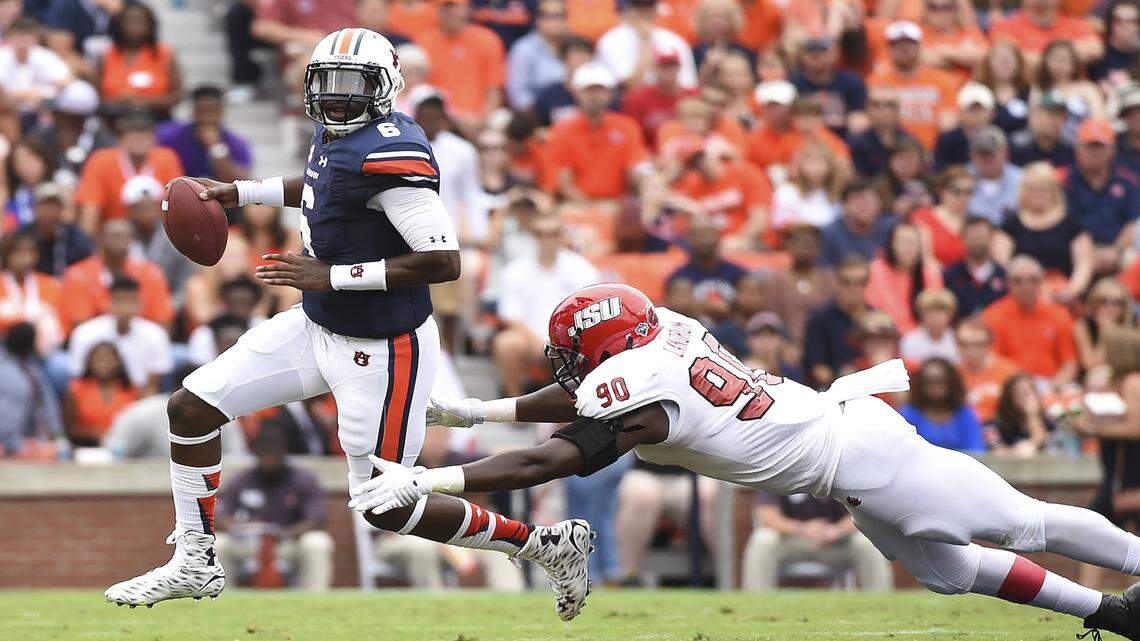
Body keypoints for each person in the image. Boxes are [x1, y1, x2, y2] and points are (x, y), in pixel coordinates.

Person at [105, 29, 590, 619]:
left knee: (385, 504)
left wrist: (330, 275)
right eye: (327, 82)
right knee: (191, 408)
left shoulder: (392, 154)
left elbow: (443, 261)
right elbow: (321, 186)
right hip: (317, 325)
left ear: (385, 87)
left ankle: (543, 545)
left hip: (384, 348)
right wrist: (240, 192)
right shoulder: (339, 136)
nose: (336, 95)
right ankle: (195, 561)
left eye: (351, 83)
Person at [385, 282, 1140, 639]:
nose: (569, 366)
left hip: (862, 458)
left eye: (577, 353)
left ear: (611, 352)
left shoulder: (639, 390)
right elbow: (578, 397)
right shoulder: (660, 333)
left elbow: (545, 462)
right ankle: (1111, 613)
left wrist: (432, 478)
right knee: (949, 573)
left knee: (1023, 524)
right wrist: (479, 411)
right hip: (845, 453)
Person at [214, 428, 334, 590]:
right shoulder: (242, 480)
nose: (269, 456)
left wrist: (288, 532)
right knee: (219, 543)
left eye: (273, 450)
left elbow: (317, 519)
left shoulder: (302, 479)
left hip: (287, 542)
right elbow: (219, 516)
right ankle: (223, 598)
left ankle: (313, 598)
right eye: (264, 450)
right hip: (249, 543)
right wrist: (237, 526)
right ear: (256, 452)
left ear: (284, 451)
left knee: (317, 542)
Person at [493, 215, 600, 397]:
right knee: (505, 344)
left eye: (552, 234)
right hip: (529, 338)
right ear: (534, 237)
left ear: (562, 236)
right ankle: (515, 402)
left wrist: (562, 342)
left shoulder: (582, 269)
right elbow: (511, 316)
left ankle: (581, 400)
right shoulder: (514, 271)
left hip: (571, 339)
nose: (547, 239)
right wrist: (539, 343)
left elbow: (589, 309)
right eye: (541, 234)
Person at [742, 492, 893, 591]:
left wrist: (837, 530)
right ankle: (756, 606)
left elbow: (863, 513)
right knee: (763, 539)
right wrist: (803, 529)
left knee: (866, 543)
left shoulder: (839, 471)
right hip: (792, 543)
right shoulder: (778, 472)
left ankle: (880, 605)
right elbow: (767, 517)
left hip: (835, 544)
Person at [543, 63, 650, 203]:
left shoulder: (627, 127)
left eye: (599, 90)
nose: (594, 96)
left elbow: (636, 168)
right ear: (576, 93)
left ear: (610, 93)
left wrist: (647, 183)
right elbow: (563, 181)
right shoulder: (562, 130)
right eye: (588, 90)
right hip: (577, 206)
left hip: (619, 204)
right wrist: (591, 208)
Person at [994, 162, 1094, 304]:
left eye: (1043, 189)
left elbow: (1083, 265)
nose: (1037, 194)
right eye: (1032, 189)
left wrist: (1070, 291)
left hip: (1062, 292)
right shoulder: (1010, 225)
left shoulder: (1072, 225)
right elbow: (1002, 264)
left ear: (1054, 191)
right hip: (1022, 293)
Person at [75, 110, 184, 234]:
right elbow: (90, 209)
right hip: (114, 234)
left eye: (144, 137)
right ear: (120, 140)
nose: (139, 142)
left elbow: (178, 206)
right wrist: (87, 243)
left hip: (159, 234)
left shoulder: (166, 158)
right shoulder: (101, 160)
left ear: (154, 140)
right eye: (133, 137)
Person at [982, 255, 1079, 389]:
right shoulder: (992, 317)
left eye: (1033, 280)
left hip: (1051, 385)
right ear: (1008, 283)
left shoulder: (1059, 315)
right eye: (1018, 281)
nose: (1026, 286)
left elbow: (1070, 363)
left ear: (1042, 282)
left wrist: (1052, 387)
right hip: (1008, 387)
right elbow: (991, 362)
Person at [67, 276, 174, 397]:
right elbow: (78, 381)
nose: (125, 307)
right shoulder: (85, 333)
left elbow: (151, 386)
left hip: (138, 397)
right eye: (120, 301)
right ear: (109, 303)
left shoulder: (155, 334)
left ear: (140, 304)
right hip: (95, 397)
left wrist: (141, 406)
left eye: (131, 301)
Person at [60, 219, 174, 331]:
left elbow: (163, 323)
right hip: (96, 340)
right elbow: (79, 325)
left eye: (126, 237)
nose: (121, 242)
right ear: (100, 240)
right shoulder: (78, 275)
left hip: (140, 339)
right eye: (115, 236)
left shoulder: (151, 274)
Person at [866, 20, 959, 151]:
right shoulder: (876, 81)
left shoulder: (943, 80)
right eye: (898, 45)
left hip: (933, 150)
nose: (904, 50)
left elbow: (949, 121)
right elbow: (870, 120)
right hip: (890, 151)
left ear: (919, 46)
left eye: (909, 45)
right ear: (889, 49)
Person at [1063, 118, 1140, 273]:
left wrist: (1115, 250)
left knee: (1133, 261)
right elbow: (1063, 223)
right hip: (1076, 248)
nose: (1094, 152)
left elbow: (1132, 223)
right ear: (1077, 149)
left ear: (1112, 149)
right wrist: (1088, 252)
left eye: (1100, 147)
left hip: (1118, 249)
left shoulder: (1127, 180)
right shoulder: (1065, 180)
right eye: (1089, 146)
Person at [416, 0, 506, 129]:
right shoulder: (424, 42)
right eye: (444, 8)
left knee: (501, 120)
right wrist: (452, 120)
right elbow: (422, 91)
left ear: (467, 9)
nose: (450, 13)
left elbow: (494, 90)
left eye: (455, 8)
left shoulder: (487, 40)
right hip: (439, 119)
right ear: (436, 11)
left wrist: (480, 120)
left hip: (482, 118)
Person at [98, 3, 182, 119]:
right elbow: (98, 96)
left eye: (139, 21)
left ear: (150, 25)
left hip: (155, 119)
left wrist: (142, 100)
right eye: (128, 21)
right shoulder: (106, 55)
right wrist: (118, 100)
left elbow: (177, 95)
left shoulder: (165, 54)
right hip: (114, 119)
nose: (134, 27)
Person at [156, 85, 252, 184]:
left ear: (221, 111)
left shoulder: (236, 143)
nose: (207, 117)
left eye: (212, 111)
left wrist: (216, 148)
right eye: (202, 111)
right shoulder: (170, 136)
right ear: (193, 111)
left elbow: (239, 183)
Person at [594, 0, 697, 91]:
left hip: (668, 99)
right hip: (628, 101)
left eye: (649, 7)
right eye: (639, 8)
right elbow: (628, 86)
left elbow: (688, 84)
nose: (645, 12)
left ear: (656, 10)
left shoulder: (674, 40)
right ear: (629, 11)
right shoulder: (612, 40)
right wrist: (646, 42)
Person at [803, 254, 870, 388]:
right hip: (832, 389)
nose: (854, 288)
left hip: (872, 386)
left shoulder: (876, 319)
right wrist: (843, 379)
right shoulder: (819, 320)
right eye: (847, 282)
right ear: (837, 283)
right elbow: (817, 369)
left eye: (860, 282)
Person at [761, 224, 834, 344]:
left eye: (811, 245)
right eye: (801, 244)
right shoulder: (776, 280)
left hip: (823, 343)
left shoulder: (828, 278)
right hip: (786, 343)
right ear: (789, 245)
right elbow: (772, 318)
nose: (806, 249)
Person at [865, 221, 942, 335]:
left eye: (912, 243)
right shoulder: (876, 270)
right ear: (891, 244)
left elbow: (936, 311)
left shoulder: (930, 274)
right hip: (886, 335)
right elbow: (873, 308)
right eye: (902, 243)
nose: (908, 249)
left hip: (920, 337)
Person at [0, 322, 64, 458]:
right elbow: (7, 420)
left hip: (32, 442)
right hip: (11, 444)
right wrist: (14, 446)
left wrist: (57, 436)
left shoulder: (32, 369)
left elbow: (49, 407)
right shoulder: (7, 373)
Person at [665, 218, 748, 321]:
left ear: (718, 237)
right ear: (689, 239)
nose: (704, 239)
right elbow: (675, 309)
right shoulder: (678, 277)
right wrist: (713, 307)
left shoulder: (737, 273)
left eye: (708, 233)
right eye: (698, 234)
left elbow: (749, 304)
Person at [64, 341, 140, 447]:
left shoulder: (131, 389)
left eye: (109, 358)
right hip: (87, 448)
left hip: (126, 448)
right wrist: (94, 434)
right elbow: (69, 429)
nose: (103, 363)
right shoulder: (75, 389)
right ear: (89, 362)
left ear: (118, 362)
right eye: (98, 359)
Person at [899, 358, 985, 452]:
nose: (933, 387)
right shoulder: (909, 414)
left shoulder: (965, 414)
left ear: (951, 383)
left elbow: (975, 449)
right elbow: (903, 450)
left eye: (939, 381)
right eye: (927, 382)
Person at [621, 45, 699, 149]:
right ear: (653, 68)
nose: (668, 70)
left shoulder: (693, 95)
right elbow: (632, 136)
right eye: (663, 66)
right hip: (651, 154)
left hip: (691, 151)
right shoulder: (637, 98)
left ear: (679, 67)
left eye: (671, 65)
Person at [789, 35, 867, 138]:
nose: (816, 55)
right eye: (810, 50)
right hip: (803, 138)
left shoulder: (851, 81)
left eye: (822, 49)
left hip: (842, 138)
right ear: (801, 56)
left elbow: (859, 114)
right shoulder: (793, 83)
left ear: (834, 53)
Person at [0, 230, 64, 354]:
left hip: (43, 349)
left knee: (60, 363)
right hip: (4, 348)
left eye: (29, 252)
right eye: (18, 252)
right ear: (7, 255)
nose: (24, 258)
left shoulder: (50, 284)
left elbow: (57, 322)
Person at [989, 0, 1102, 69]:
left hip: (1074, 93)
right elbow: (1012, 60)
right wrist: (1066, 56)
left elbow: (1094, 50)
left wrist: (1035, 57)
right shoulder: (1004, 27)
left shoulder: (1077, 24)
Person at [0, 16, 72, 115]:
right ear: (9, 36)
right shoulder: (2, 56)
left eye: (27, 36)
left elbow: (67, 79)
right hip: (8, 110)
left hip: (42, 108)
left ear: (35, 38)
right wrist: (26, 95)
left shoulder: (43, 55)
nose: (22, 41)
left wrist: (44, 92)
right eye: (18, 36)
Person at [17, 182, 93, 276]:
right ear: (34, 208)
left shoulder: (76, 238)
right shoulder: (22, 236)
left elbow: (89, 265)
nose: (49, 211)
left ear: (61, 209)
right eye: (44, 205)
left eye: (54, 206)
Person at [1033, 40, 1105, 138]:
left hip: (1083, 140)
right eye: (1055, 58)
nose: (1060, 64)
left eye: (1065, 59)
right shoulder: (1038, 89)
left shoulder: (1087, 88)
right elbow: (1034, 123)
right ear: (1046, 61)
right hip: (1049, 141)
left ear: (1074, 63)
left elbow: (1099, 121)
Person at [505, 0, 569, 111]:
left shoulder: (576, 46)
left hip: (572, 112)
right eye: (552, 16)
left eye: (562, 16)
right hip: (537, 112)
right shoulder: (524, 49)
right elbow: (518, 93)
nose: (558, 21)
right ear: (539, 20)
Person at [819, 179, 898, 267]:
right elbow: (825, 270)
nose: (864, 208)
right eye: (858, 204)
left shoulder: (893, 228)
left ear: (880, 204)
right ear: (844, 206)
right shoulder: (829, 234)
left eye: (868, 202)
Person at [942, 217, 1008, 319]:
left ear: (991, 238)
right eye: (972, 236)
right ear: (963, 238)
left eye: (981, 236)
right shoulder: (950, 275)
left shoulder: (1004, 276)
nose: (977, 241)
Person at [770, 140, 844, 231]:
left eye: (821, 161)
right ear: (799, 164)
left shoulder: (839, 194)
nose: (816, 167)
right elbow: (780, 224)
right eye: (810, 161)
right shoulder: (786, 192)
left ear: (831, 165)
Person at [957, 320, 1021, 425]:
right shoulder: (953, 375)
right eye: (965, 344)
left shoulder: (1009, 372)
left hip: (1002, 427)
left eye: (979, 344)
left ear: (990, 345)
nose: (972, 350)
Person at [846, 86, 912, 179]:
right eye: (876, 105)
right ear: (867, 109)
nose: (883, 110)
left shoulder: (909, 142)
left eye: (889, 105)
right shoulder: (856, 143)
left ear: (898, 109)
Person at [1074, 278, 1136, 376]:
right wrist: (1105, 332)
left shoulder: (1135, 324)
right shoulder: (1084, 325)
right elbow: (1091, 365)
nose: (1109, 307)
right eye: (1103, 301)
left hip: (1128, 375)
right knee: (1099, 375)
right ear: (1093, 303)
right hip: (1097, 376)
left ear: (1125, 307)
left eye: (1117, 302)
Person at [912, 166, 972, 266]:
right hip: (935, 273)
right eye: (956, 191)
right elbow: (925, 258)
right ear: (942, 190)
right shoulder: (923, 217)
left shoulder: (973, 222)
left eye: (968, 192)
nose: (962, 197)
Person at [984, 372, 1055, 456]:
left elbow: (1044, 442)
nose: (1025, 398)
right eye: (1019, 394)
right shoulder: (992, 425)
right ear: (1008, 399)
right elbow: (995, 451)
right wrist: (1017, 451)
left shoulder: (1048, 420)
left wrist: (1032, 416)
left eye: (1028, 393)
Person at [966, 125, 1022, 226]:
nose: (986, 158)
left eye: (990, 153)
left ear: (1005, 153)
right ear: (972, 155)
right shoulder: (961, 179)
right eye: (981, 153)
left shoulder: (1022, 181)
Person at [934, 83, 996, 172]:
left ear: (992, 113)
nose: (976, 115)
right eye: (971, 110)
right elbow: (942, 172)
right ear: (960, 113)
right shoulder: (947, 141)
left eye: (980, 110)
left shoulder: (1000, 138)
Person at [976, 41, 1031, 137]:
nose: (1004, 64)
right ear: (988, 64)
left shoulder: (1030, 92)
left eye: (1009, 59)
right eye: (999, 59)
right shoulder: (978, 91)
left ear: (1019, 64)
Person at [1010, 92, 1074, 168]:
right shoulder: (1019, 145)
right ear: (1036, 116)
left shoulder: (1069, 148)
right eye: (1051, 114)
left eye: (1061, 115)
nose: (1055, 120)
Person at [900, 288, 960, 364]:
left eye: (940, 313)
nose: (935, 318)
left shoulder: (957, 340)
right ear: (921, 314)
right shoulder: (910, 340)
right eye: (930, 313)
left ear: (950, 315)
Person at [1092, 0, 1140, 86]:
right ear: (1110, 24)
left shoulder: (1137, 52)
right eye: (1118, 20)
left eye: (1131, 21)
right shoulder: (1098, 54)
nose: (1124, 25)